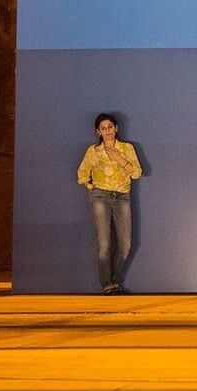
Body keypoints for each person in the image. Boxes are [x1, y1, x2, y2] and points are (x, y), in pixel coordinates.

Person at [76, 113, 142, 294]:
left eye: (110, 127)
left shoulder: (126, 148)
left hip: (122, 196)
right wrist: (92, 188)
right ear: (98, 132)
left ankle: (115, 281)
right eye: (103, 128)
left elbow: (136, 173)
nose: (108, 131)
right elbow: (82, 173)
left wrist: (120, 159)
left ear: (116, 128)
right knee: (104, 244)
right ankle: (107, 285)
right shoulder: (94, 151)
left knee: (125, 245)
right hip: (101, 197)